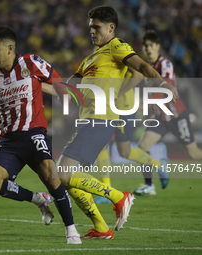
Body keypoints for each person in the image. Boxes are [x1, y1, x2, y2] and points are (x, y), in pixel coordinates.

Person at [54, 5, 178, 239]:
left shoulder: (116, 46)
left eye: (97, 27)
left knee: (63, 173)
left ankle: (119, 196)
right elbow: (71, 84)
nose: (92, 31)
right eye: (90, 27)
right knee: (70, 180)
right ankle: (102, 229)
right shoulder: (90, 58)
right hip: (89, 120)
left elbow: (140, 67)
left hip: (101, 119)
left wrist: (161, 83)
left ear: (111, 28)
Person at [0, 27, 81, 244]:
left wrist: (62, 96)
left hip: (34, 132)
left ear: (10, 48)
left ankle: (71, 229)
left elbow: (59, 85)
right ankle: (38, 199)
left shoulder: (32, 63)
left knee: (50, 175)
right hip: (9, 141)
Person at [133, 30, 202, 196]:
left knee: (194, 154)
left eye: (151, 45)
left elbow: (167, 91)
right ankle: (149, 185)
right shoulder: (146, 68)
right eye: (146, 46)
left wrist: (144, 103)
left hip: (176, 115)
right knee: (143, 146)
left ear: (157, 46)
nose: (148, 49)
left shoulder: (165, 65)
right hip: (159, 117)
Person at [94, 67, 168, 204]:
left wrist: (120, 93)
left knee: (124, 152)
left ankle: (159, 165)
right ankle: (106, 190)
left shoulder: (119, 49)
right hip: (107, 105)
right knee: (101, 144)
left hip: (123, 107)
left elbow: (138, 75)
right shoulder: (98, 50)